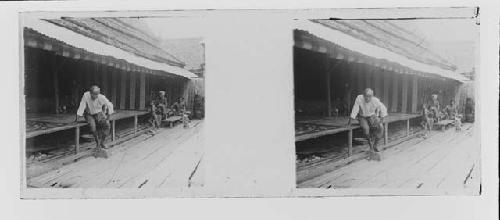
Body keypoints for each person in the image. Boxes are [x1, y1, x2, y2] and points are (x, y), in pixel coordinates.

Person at [347, 88, 388, 152]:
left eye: (369, 97)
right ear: (363, 95)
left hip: (372, 115)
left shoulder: (375, 100)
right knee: (366, 129)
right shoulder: (359, 98)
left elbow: (383, 109)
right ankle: (370, 144)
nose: (367, 98)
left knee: (381, 127)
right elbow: (355, 110)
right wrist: (350, 122)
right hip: (362, 116)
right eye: (366, 96)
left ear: (372, 96)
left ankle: (375, 145)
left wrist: (381, 121)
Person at [75, 85, 114, 151]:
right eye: (94, 94)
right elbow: (82, 105)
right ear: (90, 93)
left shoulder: (101, 97)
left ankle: (102, 142)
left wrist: (108, 118)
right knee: (93, 127)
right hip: (89, 114)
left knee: (107, 126)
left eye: (97, 94)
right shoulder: (86, 95)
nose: (95, 96)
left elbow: (110, 105)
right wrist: (78, 116)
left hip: (98, 113)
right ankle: (97, 143)